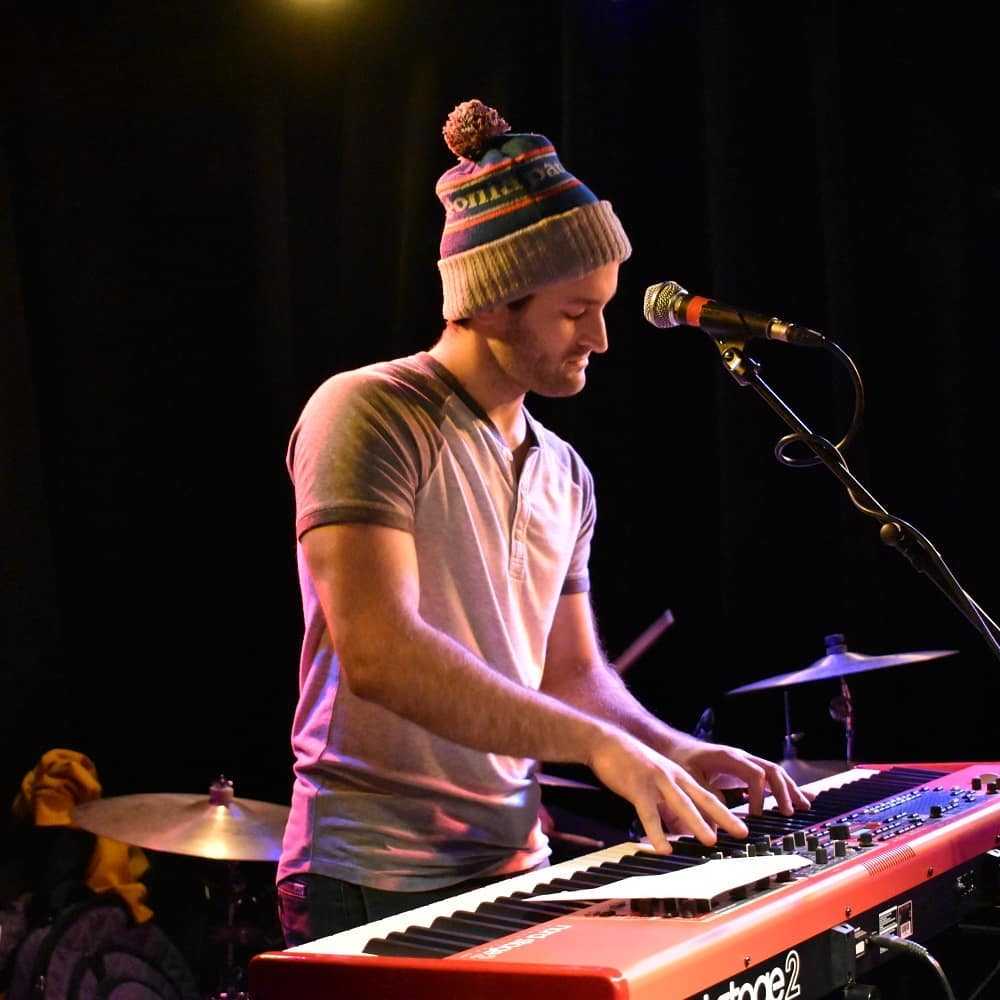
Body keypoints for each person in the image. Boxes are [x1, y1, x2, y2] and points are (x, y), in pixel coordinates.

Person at [276, 99, 810, 947]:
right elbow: (379, 651)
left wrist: (676, 752)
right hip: (371, 878)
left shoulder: (565, 470)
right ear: (490, 303)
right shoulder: (369, 412)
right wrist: (599, 748)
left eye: (602, 307)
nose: (601, 338)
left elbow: (572, 676)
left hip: (512, 868)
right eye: (574, 312)